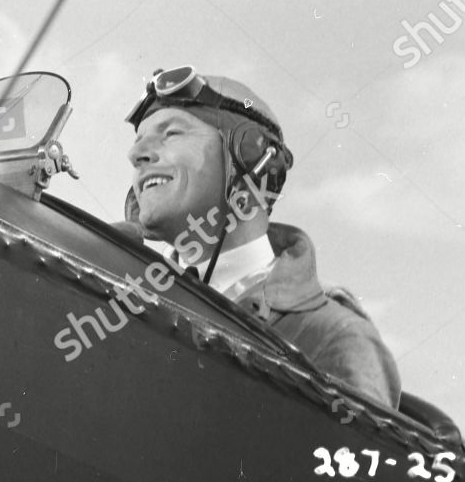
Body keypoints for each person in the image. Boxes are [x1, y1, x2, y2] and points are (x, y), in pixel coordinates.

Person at [122, 66, 401, 410]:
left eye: (173, 134)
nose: (137, 155)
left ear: (251, 159)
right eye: (139, 142)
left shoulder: (332, 335)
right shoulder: (122, 303)